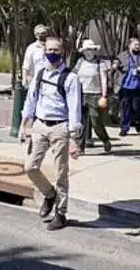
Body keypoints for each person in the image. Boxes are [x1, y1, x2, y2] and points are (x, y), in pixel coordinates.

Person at [20, 37, 83, 230]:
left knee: (61, 172)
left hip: (60, 127)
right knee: (30, 166)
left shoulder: (70, 78)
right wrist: (25, 125)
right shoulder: (39, 74)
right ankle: (49, 194)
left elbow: (74, 108)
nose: (52, 53)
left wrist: (74, 138)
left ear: (62, 52)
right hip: (40, 125)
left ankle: (61, 213)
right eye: (49, 49)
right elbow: (31, 100)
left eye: (56, 50)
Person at [73, 39, 112, 153]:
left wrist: (104, 95)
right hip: (81, 94)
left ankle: (105, 140)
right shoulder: (80, 62)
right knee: (80, 121)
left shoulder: (100, 63)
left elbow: (104, 79)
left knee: (95, 121)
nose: (89, 52)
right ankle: (80, 146)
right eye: (86, 50)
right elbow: (74, 76)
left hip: (95, 95)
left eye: (91, 50)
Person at [113, 38, 140, 135]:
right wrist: (115, 65)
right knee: (124, 107)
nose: (137, 46)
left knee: (136, 107)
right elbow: (116, 63)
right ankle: (124, 128)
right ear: (129, 45)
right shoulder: (122, 56)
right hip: (124, 86)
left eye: (138, 45)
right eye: (135, 44)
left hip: (138, 86)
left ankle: (137, 121)